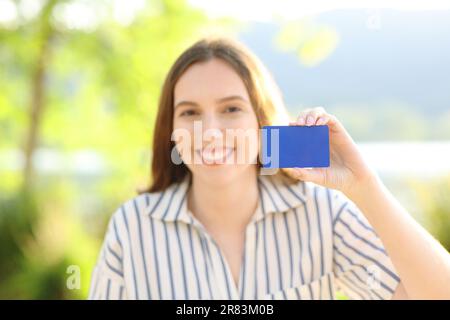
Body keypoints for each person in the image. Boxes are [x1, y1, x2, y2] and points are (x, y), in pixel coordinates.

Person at [88, 36, 450, 300]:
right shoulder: (132, 228)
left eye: (231, 109)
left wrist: (365, 185)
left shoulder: (322, 214)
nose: (211, 133)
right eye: (190, 112)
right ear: (172, 132)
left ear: (262, 123)